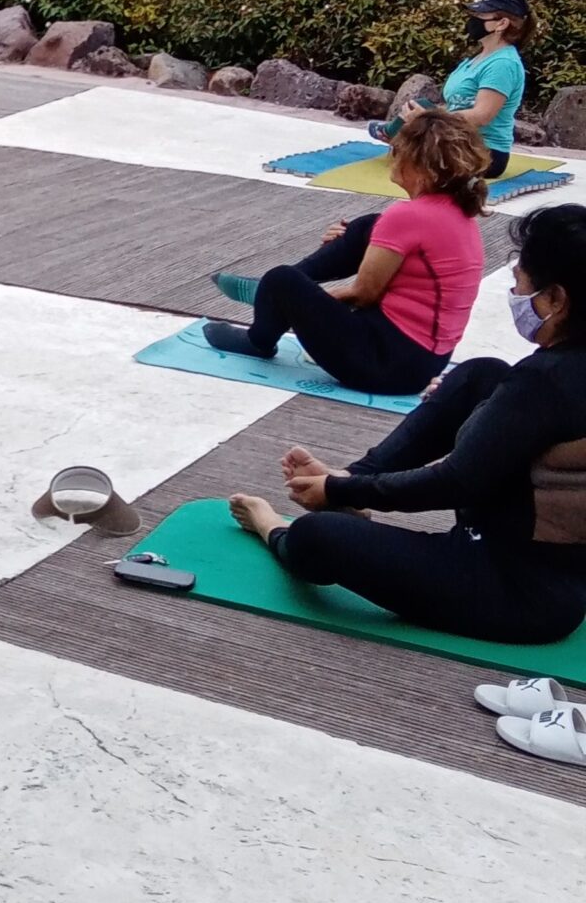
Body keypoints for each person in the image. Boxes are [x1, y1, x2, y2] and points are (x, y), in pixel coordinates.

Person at [226, 203, 586, 666]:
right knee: (480, 374)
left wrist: (339, 489)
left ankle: (274, 525)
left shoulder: (541, 383)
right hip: (552, 566)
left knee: (319, 536)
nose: (515, 291)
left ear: (555, 300)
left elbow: (454, 482)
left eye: (521, 282)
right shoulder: (553, 376)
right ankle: (351, 481)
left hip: (512, 591)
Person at [202, 108, 491, 396]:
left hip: (387, 364)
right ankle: (272, 298)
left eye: (398, 149)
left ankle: (260, 334)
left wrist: (303, 299)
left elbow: (363, 294)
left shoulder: (407, 216)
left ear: (419, 166)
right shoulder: (459, 214)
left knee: (282, 280)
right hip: (424, 362)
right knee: (368, 226)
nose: (392, 153)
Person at [368, 0, 532, 178]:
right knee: (419, 106)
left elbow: (482, 116)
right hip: (458, 140)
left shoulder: (503, 64)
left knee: (422, 122)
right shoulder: (478, 58)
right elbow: (456, 104)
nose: (474, 19)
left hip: (483, 152)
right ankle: (395, 135)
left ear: (502, 23)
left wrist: (431, 118)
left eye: (481, 15)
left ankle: (395, 136)